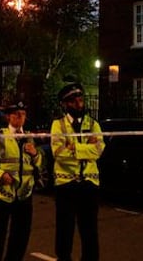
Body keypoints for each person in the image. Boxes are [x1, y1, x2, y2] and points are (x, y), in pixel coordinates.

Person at [0, 102, 42, 261]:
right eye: (16, 114)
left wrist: (35, 154)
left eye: (23, 114)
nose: (20, 117)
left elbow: (39, 164)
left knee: (20, 237)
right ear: (8, 117)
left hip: (24, 195)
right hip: (4, 194)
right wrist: (0, 174)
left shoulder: (29, 137)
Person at [50, 82, 105, 261]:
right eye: (74, 101)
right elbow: (58, 154)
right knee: (64, 230)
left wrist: (74, 148)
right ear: (65, 104)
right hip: (66, 185)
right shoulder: (58, 125)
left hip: (89, 185)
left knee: (90, 231)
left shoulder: (93, 124)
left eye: (80, 100)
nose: (79, 104)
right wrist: (84, 149)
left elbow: (98, 150)